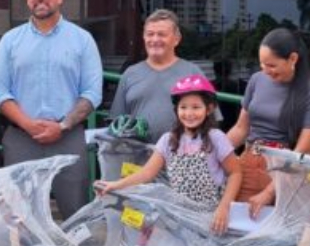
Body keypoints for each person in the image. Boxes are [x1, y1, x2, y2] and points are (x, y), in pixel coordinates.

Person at [0, 0, 103, 218]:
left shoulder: (82, 40)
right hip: (21, 140)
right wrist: (28, 125)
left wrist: (61, 126)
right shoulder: (9, 41)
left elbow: (92, 93)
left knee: (76, 214)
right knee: (21, 216)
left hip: (69, 137)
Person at [95, 75, 241, 235]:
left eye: (196, 107)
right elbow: (146, 174)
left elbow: (235, 173)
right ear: (176, 109)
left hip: (212, 218)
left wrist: (224, 208)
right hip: (180, 218)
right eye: (183, 107)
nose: (189, 113)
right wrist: (114, 185)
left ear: (210, 108)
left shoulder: (216, 137)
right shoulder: (168, 140)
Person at [226, 28, 310, 215]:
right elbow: (240, 128)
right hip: (247, 162)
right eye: (262, 64)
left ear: (293, 59)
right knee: (238, 223)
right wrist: (213, 150)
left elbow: (301, 153)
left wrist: (270, 191)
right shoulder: (256, 80)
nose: (265, 70)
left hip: (282, 171)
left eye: (271, 65)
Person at [110, 9, 208, 141]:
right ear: (144, 37)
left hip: (180, 156)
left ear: (176, 39)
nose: (155, 39)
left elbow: (211, 123)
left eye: (162, 34)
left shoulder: (192, 73)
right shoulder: (129, 74)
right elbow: (117, 121)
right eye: (150, 34)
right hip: (136, 155)